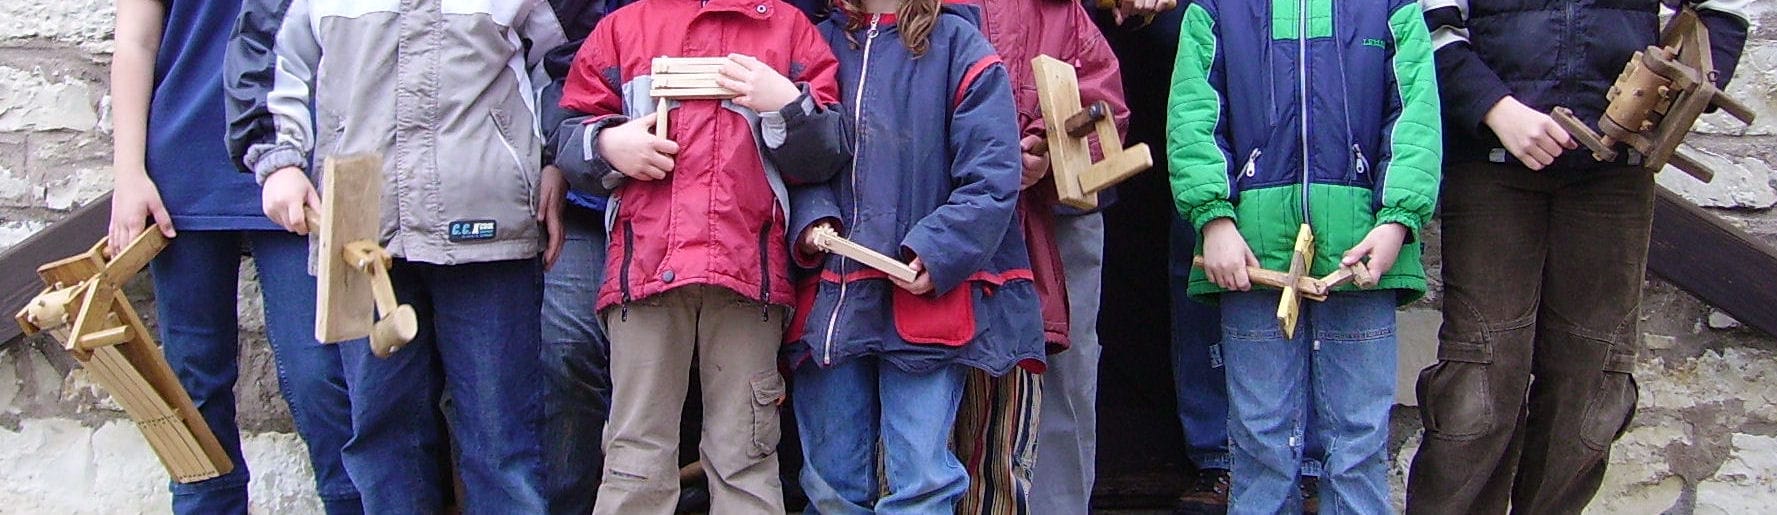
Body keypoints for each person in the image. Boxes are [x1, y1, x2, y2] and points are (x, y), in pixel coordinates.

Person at [226, 1, 572, 512]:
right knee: (385, 435)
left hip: (488, 226)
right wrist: (277, 159)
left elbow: (563, 62)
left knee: (503, 440)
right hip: (362, 230)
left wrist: (556, 159)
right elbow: (266, 52)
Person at [1405, 0, 1749, 512]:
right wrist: (1497, 109)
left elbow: (1721, 13)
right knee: (1478, 381)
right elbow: (1427, 27)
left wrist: (1677, 95)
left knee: (1592, 383)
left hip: (1612, 180)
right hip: (1493, 170)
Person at [552, 0, 850, 511]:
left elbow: (824, 154)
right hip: (643, 275)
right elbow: (566, 132)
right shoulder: (624, 28)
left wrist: (788, 107)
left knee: (746, 457)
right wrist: (605, 145)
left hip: (748, 276)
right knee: (634, 457)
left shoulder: (790, 29)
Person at [1168, 0, 1442, 510]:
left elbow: (1416, 114)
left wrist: (1397, 220)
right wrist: (1215, 219)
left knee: (1358, 440)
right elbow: (1193, 116)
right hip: (1253, 259)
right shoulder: (1213, 9)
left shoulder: (1392, 5)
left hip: (1361, 258)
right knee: (1259, 439)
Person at [786, 0, 1041, 511]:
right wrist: (810, 217)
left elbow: (993, 178)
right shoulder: (812, 44)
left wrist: (938, 249)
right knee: (830, 486)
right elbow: (788, 159)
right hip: (832, 304)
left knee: (921, 481)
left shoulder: (960, 45)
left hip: (926, 298)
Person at [109, 1, 361, 513]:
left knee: (323, 375)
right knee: (194, 382)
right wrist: (128, 173)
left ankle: (352, 503)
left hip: (302, 164)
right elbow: (135, 41)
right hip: (185, 170)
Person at [938, 0, 1127, 513]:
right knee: (925, 384)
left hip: (1051, 225)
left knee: (1059, 382)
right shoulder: (919, 10)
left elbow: (1105, 110)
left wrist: (1048, 150)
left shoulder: (1062, 11)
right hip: (936, 221)